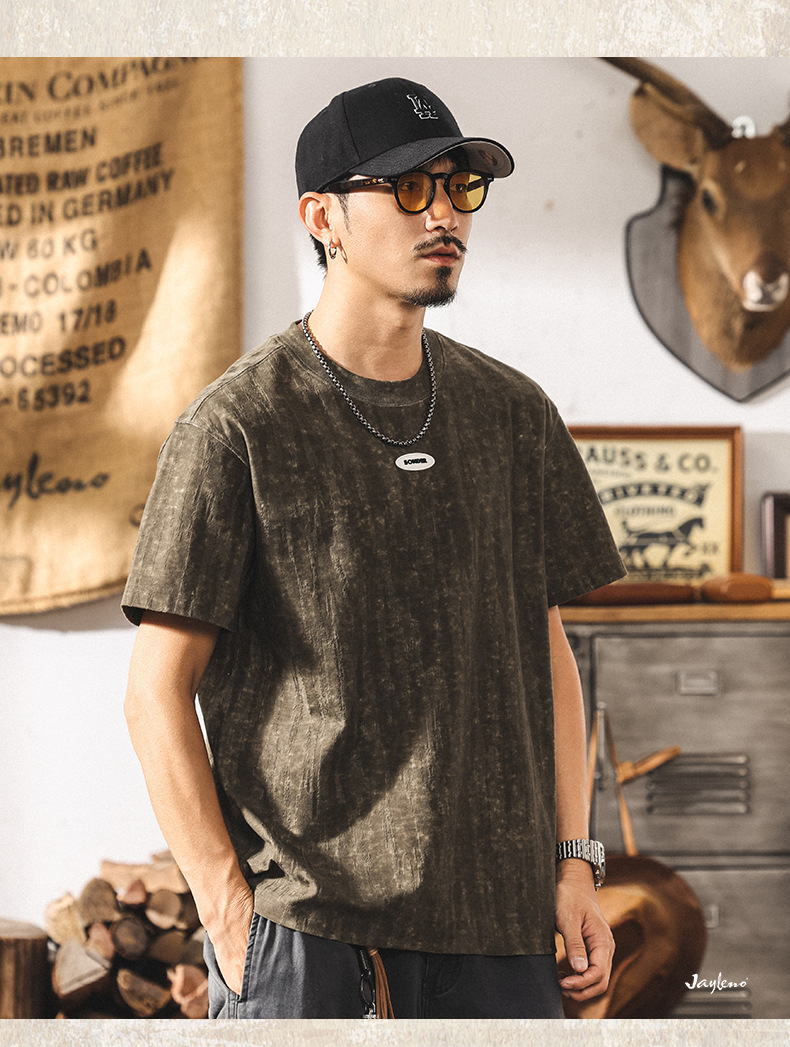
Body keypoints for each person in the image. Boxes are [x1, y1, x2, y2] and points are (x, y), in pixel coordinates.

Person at [122, 75, 625, 1019]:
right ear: (324, 218)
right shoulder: (237, 427)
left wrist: (574, 864)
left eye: (460, 186)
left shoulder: (514, 415)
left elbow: (547, 652)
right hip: (310, 934)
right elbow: (154, 693)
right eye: (407, 188)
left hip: (504, 929)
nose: (444, 214)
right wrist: (229, 911)